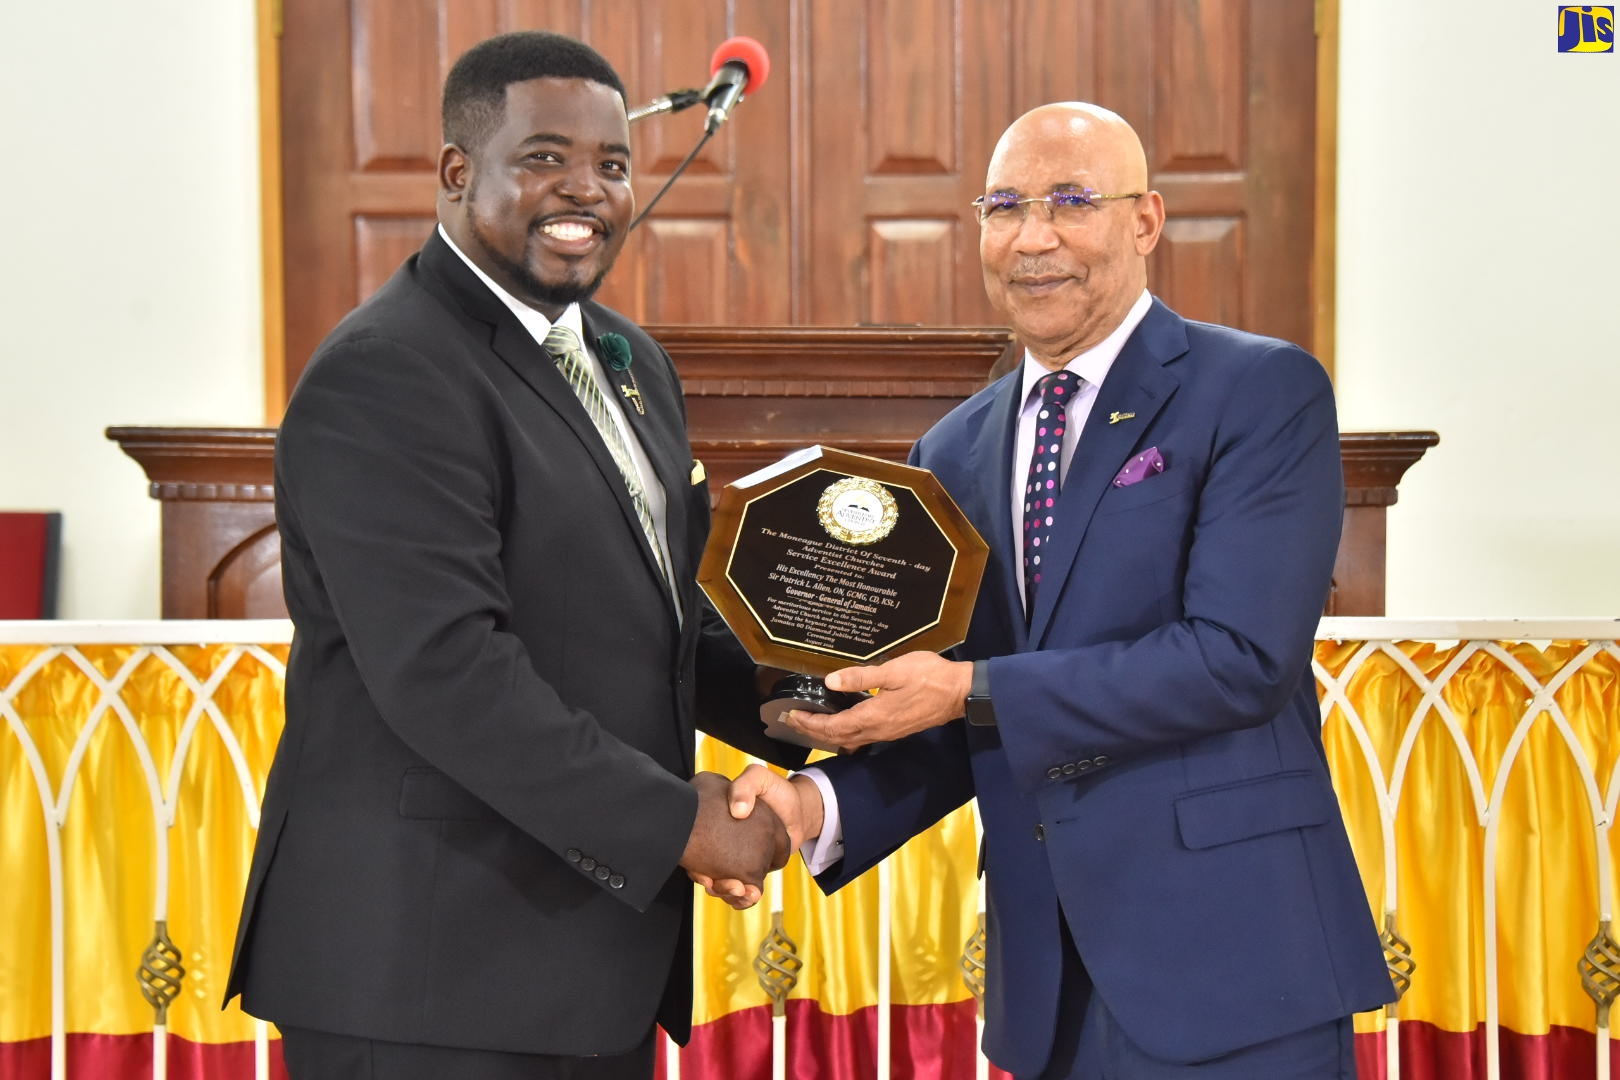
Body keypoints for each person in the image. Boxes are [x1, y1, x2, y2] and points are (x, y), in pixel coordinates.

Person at [717, 103, 1396, 1078]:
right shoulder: (952, 450)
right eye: (1004, 206)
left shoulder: (1259, 391)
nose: (1033, 237)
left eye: (1071, 202)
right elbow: (957, 708)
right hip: (1049, 988)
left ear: (1146, 221)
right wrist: (810, 807)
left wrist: (966, 691)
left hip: (1236, 965)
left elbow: (1240, 661)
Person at [224, 31, 805, 1079]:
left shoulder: (631, 366)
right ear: (458, 172)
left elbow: (666, 621)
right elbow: (447, 673)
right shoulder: (389, 373)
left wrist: (814, 700)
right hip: (427, 974)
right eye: (544, 158)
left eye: (611, 165)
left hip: (580, 968)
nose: (584, 190)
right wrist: (680, 822)